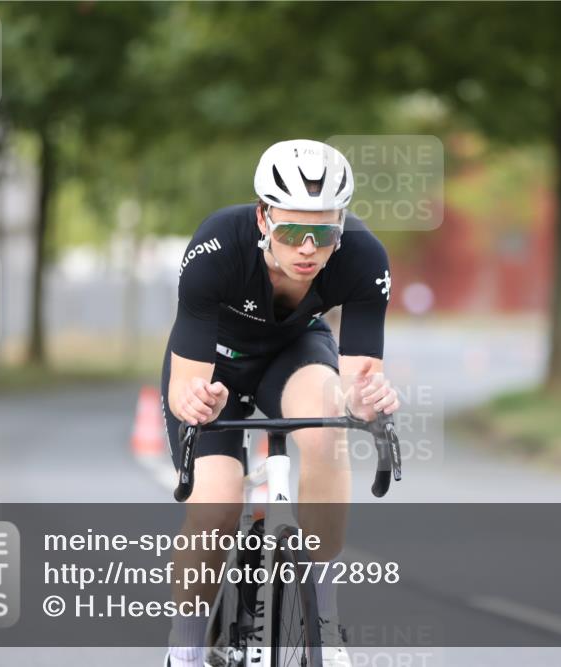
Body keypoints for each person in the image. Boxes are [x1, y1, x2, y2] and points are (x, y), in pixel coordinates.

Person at [162, 139, 400, 667]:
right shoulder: (218, 244)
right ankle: (185, 646)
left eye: (324, 232)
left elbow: (359, 382)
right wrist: (198, 401)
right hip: (215, 364)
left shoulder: (363, 257)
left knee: (325, 428)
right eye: (293, 231)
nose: (308, 248)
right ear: (264, 218)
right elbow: (186, 385)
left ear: (341, 225)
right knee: (220, 502)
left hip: (295, 350)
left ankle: (324, 618)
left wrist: (370, 397)